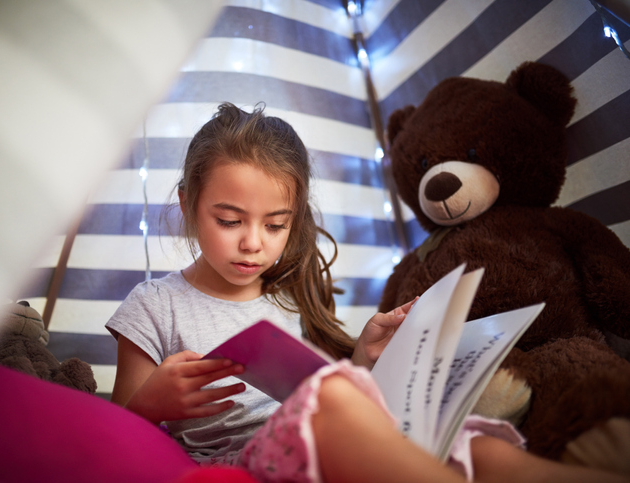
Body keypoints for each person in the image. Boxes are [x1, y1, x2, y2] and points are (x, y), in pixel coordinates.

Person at [106, 103, 625, 483]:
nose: (252, 243)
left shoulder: (290, 298)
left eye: (276, 225)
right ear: (188, 202)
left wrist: (363, 356)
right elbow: (112, 434)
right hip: (248, 463)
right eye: (229, 220)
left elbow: (318, 387)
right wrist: (151, 403)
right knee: (334, 402)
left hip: (328, 444)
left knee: (475, 446)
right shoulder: (155, 306)